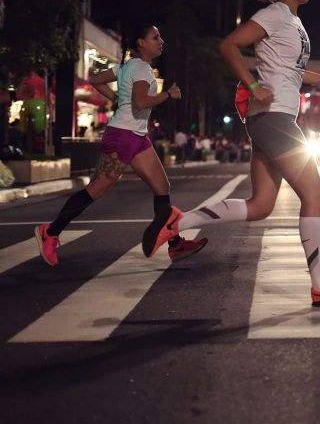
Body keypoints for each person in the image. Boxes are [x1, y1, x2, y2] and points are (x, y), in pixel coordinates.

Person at [144, 0, 320, 307]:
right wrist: (253, 84)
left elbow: (293, 70)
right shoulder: (275, 14)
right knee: (315, 195)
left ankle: (176, 222)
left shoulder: (292, 22)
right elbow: (228, 45)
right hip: (273, 117)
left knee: (261, 205)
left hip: (272, 117)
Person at [34, 24, 207, 266]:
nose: (161, 40)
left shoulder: (127, 67)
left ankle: (175, 245)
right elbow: (141, 102)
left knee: (161, 186)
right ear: (141, 43)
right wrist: (168, 94)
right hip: (123, 136)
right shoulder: (142, 69)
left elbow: (95, 80)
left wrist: (116, 98)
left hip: (135, 135)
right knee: (97, 189)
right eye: (155, 37)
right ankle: (50, 232)